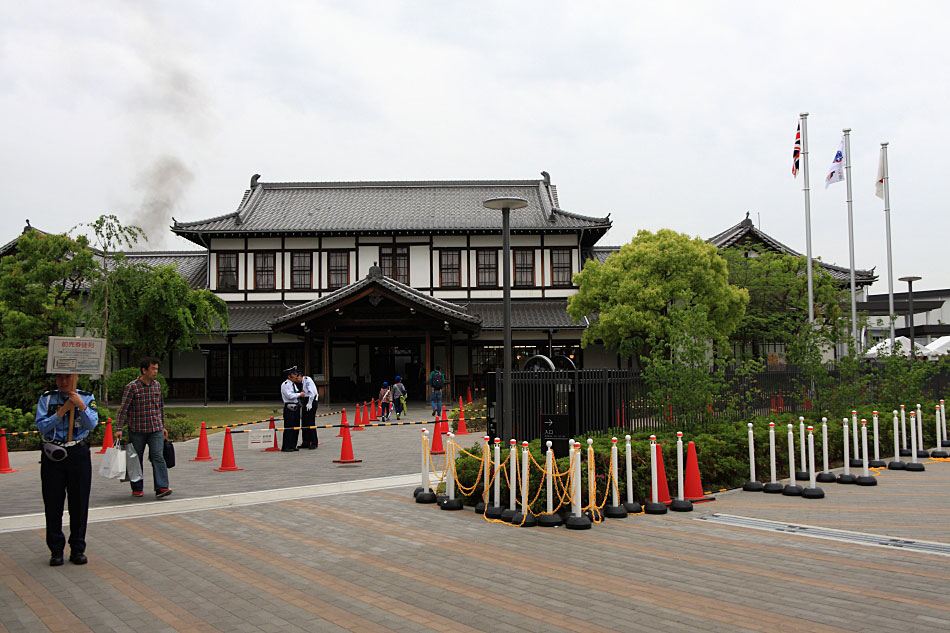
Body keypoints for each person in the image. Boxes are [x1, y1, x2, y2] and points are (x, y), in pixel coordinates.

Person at [35, 373, 98, 566]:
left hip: (77, 453)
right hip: (53, 454)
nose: (63, 382)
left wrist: (80, 405)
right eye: (59, 378)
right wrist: (62, 411)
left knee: (79, 503)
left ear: (75, 378)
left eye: (67, 378)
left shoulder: (86, 397)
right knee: (53, 504)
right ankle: (56, 550)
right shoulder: (47, 398)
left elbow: (92, 424)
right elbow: (42, 426)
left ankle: (78, 548)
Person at [115, 357, 171, 499]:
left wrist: (163, 426)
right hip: (137, 430)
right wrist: (119, 428)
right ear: (144, 370)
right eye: (153, 369)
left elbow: (160, 407)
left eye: (157, 369)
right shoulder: (132, 387)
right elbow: (123, 409)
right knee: (135, 458)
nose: (155, 372)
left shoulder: (157, 385)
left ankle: (162, 486)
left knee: (158, 456)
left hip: (155, 428)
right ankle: (137, 487)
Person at [280, 366, 304, 451]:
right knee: (289, 427)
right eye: (294, 374)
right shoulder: (286, 384)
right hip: (290, 407)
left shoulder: (294, 384)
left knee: (296, 427)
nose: (296, 376)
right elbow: (289, 396)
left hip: (296, 406)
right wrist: (299, 395)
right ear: (289, 376)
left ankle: (293, 445)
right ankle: (286, 446)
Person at [298, 372, 319, 449]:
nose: (297, 380)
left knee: (310, 422)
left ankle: (314, 442)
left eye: (297, 378)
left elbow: (312, 393)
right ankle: (306, 442)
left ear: (300, 376)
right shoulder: (303, 381)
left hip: (311, 400)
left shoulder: (307, 380)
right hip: (306, 400)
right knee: (304, 422)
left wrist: (310, 403)